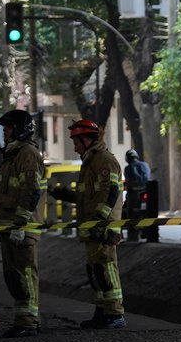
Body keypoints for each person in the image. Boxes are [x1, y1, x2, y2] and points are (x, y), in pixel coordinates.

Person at [51, 120, 127, 328]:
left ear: (88, 140)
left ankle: (115, 314)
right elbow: (88, 197)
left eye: (76, 142)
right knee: (95, 272)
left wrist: (99, 221)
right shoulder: (90, 162)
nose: (74, 146)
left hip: (102, 227)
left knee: (106, 269)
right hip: (92, 227)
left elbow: (111, 191)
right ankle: (102, 311)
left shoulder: (104, 160)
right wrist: (64, 194)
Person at [0, 109, 45, 338]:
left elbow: (31, 190)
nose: (5, 131)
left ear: (20, 129)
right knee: (13, 276)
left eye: (9, 127)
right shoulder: (11, 156)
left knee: (25, 275)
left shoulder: (28, 154)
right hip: (9, 227)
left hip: (21, 228)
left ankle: (29, 321)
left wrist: (20, 224)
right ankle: (24, 318)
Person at [123, 149, 151, 242]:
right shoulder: (145, 165)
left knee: (131, 213)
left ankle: (133, 236)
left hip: (133, 194)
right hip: (147, 192)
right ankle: (148, 232)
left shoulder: (128, 168)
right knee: (149, 212)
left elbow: (128, 181)